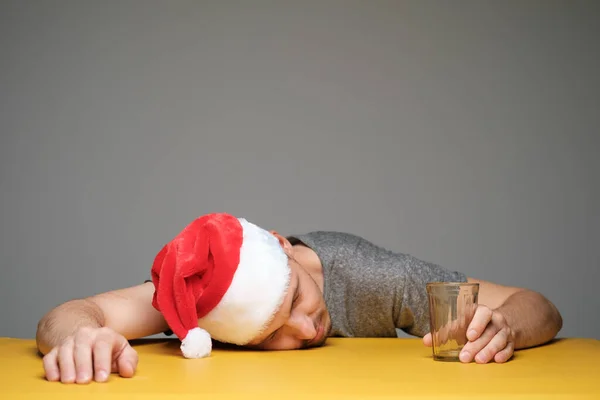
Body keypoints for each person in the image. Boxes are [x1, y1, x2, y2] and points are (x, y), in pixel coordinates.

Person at [36, 213, 563, 384]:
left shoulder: (371, 276)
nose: (308, 330)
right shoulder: (197, 300)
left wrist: (505, 327)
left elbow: (537, 303)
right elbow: (70, 315)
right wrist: (80, 338)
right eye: (271, 336)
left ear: (285, 251)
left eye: (297, 301)